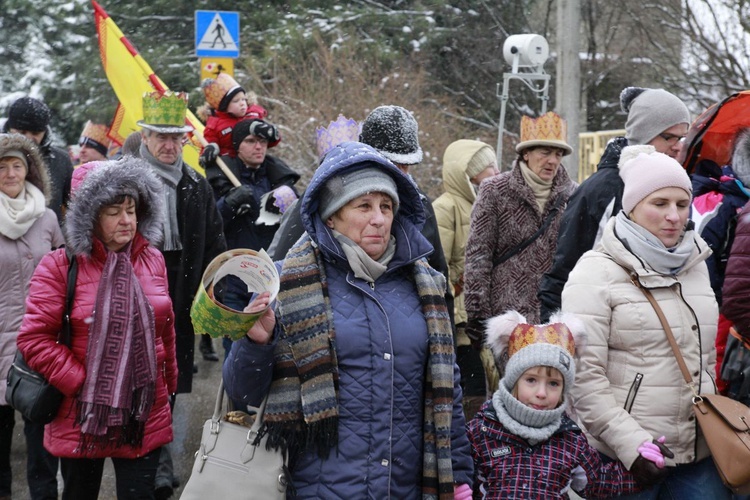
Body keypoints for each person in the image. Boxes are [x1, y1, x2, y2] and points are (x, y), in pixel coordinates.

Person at [223, 141, 473, 498]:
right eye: (364, 206)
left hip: (404, 489)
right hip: (318, 488)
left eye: (386, 206)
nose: (379, 218)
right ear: (331, 216)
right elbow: (242, 393)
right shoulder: (287, 283)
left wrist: (459, 476)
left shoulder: (425, 286)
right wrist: (255, 343)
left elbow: (449, 391)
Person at [562, 145, 730, 498]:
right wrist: (630, 442)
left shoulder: (696, 264)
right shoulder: (595, 272)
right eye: (660, 203)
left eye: (682, 205)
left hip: (698, 453)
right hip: (627, 459)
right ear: (632, 206)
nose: (673, 216)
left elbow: (704, 361)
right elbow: (583, 376)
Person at [16, 158, 178, 500]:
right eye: (114, 211)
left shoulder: (153, 260)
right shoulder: (61, 265)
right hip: (82, 413)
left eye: (132, 210)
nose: (127, 220)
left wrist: (170, 385)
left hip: (142, 411)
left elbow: (165, 330)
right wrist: (82, 382)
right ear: (90, 216)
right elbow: (35, 339)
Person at [469, 310, 664, 498]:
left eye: (553, 383)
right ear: (514, 381)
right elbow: (458, 471)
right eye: (531, 380)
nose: (542, 393)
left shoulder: (570, 439)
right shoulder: (482, 430)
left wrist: (643, 469)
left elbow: (598, 482)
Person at [137, 90, 226, 497]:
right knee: (141, 371)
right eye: (161, 137)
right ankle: (144, 453)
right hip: (137, 287)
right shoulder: (126, 180)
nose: (169, 145)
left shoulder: (196, 184)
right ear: (145, 138)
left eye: (176, 138)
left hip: (182, 283)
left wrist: (215, 288)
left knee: (171, 372)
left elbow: (214, 244)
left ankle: (158, 456)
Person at [538, 87, 691, 322]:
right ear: (642, 134)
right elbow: (565, 271)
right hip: (605, 326)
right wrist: (557, 333)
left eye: (681, 138)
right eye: (668, 137)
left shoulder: (678, 184)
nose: (678, 146)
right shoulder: (602, 190)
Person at [463, 111, 575, 380]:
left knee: (551, 395)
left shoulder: (573, 194)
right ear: (526, 153)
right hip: (507, 319)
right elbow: (478, 256)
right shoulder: (494, 191)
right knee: (512, 395)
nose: (552, 161)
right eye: (545, 152)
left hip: (556, 318)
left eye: (558, 155)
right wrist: (479, 318)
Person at [0, 134, 64, 500]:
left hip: (40, 342)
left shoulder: (48, 218)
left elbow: (63, 274)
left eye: (18, 165)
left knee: (41, 431)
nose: (11, 173)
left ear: (31, 171)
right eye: (3, 166)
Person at [204, 117, 299, 356]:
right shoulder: (220, 179)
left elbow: (289, 225)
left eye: (263, 142)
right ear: (237, 146)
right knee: (235, 352)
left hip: (268, 281)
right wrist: (227, 204)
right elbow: (207, 225)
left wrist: (266, 203)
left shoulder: (281, 180)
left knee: (269, 350)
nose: (259, 147)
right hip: (232, 281)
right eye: (251, 141)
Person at [432, 139, 499, 418]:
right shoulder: (445, 208)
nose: (495, 172)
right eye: (486, 167)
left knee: (497, 384)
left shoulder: (494, 204)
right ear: (466, 173)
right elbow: (438, 268)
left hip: (491, 313)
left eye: (494, 165)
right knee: (472, 390)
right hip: (462, 321)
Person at [690, 129, 750, 392]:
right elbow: (704, 264)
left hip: (727, 320)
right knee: (720, 395)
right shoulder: (726, 205)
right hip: (721, 321)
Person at [3, 96, 74, 224]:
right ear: (10, 129)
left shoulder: (61, 161)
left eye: (35, 133)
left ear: (44, 132)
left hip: (50, 239)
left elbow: (73, 209)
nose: (28, 138)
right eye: (22, 132)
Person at [198, 72, 270, 163]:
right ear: (224, 107)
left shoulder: (254, 114)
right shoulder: (215, 125)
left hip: (255, 160)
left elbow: (270, 140)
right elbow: (207, 143)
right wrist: (210, 150)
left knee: (278, 167)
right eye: (236, 101)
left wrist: (269, 132)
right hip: (231, 164)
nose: (242, 103)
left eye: (243, 99)